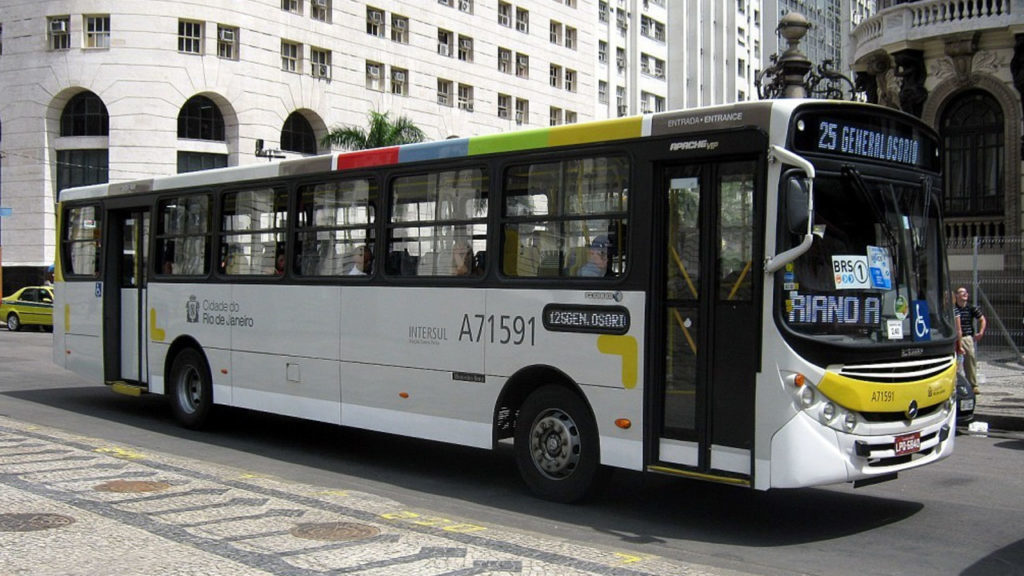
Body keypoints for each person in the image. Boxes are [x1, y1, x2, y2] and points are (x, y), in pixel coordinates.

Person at [955, 286, 987, 394]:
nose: (965, 294)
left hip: (966, 337)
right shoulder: (953, 309)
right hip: (955, 338)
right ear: (957, 295)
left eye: (966, 292)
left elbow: (982, 319)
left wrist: (981, 332)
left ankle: (973, 385)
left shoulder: (971, 308)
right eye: (962, 292)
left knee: (970, 360)